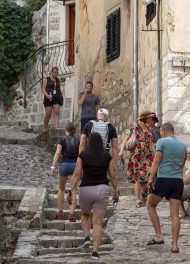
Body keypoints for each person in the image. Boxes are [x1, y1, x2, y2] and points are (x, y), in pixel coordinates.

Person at [70, 132, 119, 261]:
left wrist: (71, 189)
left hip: (86, 188)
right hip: (102, 189)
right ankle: (95, 252)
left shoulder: (83, 155)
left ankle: (87, 237)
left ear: (89, 142)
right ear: (101, 143)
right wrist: (115, 191)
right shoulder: (107, 156)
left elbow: (76, 174)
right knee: (98, 223)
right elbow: (113, 175)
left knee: (85, 214)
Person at [146, 122, 187, 254]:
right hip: (178, 181)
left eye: (160, 132)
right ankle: (175, 245)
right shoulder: (183, 145)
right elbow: (182, 164)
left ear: (163, 131)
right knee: (175, 214)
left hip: (164, 178)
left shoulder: (161, 142)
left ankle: (159, 235)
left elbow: (157, 160)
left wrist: (151, 178)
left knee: (150, 204)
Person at [119, 110, 156, 208]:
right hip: (137, 157)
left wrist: (155, 154)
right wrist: (121, 151)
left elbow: (151, 143)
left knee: (148, 176)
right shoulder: (134, 128)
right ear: (145, 118)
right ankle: (138, 199)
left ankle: (143, 193)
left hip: (148, 157)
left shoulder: (148, 129)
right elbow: (126, 140)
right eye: (149, 118)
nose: (151, 120)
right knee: (139, 178)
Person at [50, 122, 79, 222]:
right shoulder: (78, 140)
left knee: (61, 189)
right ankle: (72, 214)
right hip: (75, 165)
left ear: (65, 130)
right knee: (74, 190)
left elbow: (58, 153)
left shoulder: (61, 140)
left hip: (64, 165)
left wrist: (53, 166)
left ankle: (60, 212)